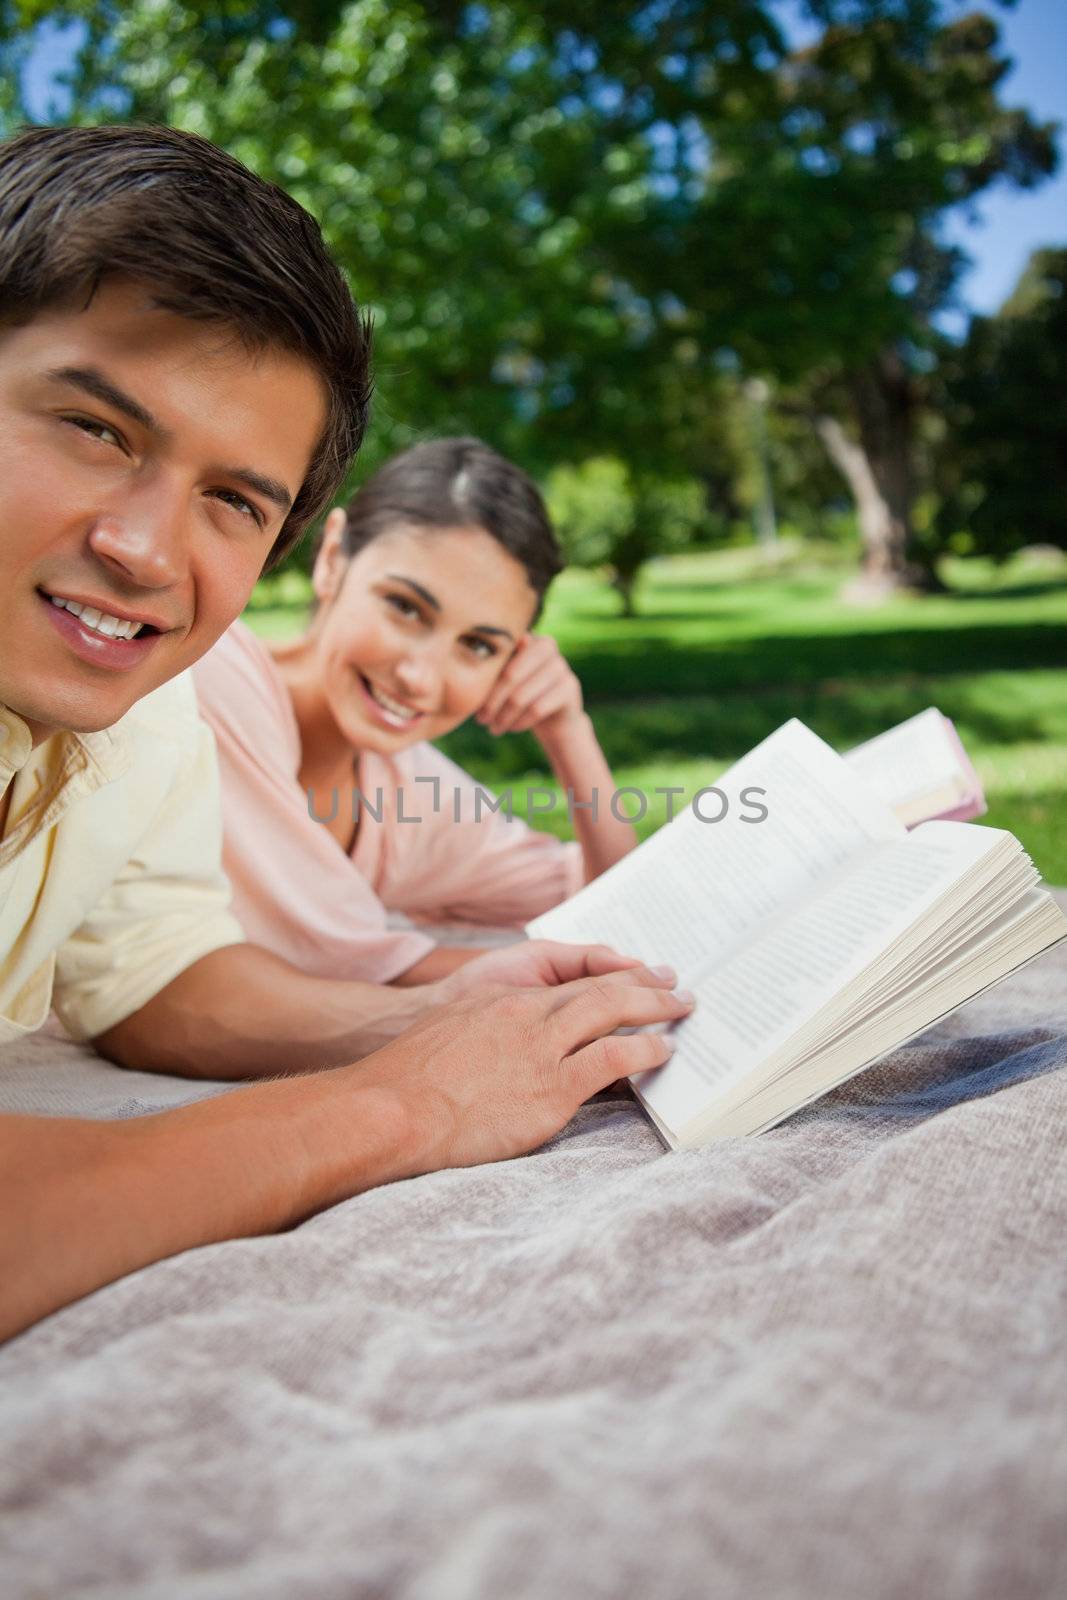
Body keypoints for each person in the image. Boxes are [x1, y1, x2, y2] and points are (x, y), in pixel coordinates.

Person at [0, 124, 691, 1344]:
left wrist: (456, 1009)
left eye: (231, 499)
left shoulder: (149, 710)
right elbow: (350, 948)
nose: (149, 551)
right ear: (332, 568)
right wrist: (397, 1101)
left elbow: (155, 971)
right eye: (97, 428)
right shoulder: (219, 699)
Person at [193, 438, 638, 985]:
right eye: (404, 607)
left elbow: (618, 906)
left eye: (478, 646)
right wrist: (556, 972)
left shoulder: (408, 793)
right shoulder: (210, 680)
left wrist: (569, 730)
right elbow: (331, 952)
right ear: (333, 558)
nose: (420, 678)